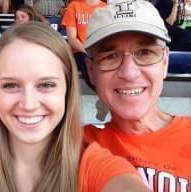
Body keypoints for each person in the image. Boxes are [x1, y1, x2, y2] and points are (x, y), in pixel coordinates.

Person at [0, 22, 150, 192]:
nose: (28, 104)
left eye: (46, 85)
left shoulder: (94, 165)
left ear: (67, 90)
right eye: (10, 86)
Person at [82, 0, 191, 191]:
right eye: (110, 56)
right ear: (91, 70)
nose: (129, 73)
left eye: (145, 52)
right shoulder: (76, 146)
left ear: (165, 62)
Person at [62, 0, 105, 88]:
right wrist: (89, 52)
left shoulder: (106, 7)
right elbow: (72, 40)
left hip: (101, 50)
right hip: (82, 51)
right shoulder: (73, 6)